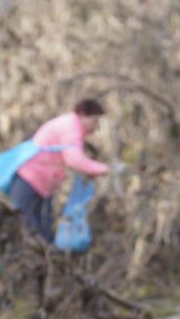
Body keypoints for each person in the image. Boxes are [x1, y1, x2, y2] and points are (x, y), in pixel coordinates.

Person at [10, 99, 110, 243]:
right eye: (94, 121)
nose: (96, 127)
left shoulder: (71, 126)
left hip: (42, 186)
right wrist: (104, 169)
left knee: (44, 231)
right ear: (82, 115)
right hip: (30, 181)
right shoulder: (71, 127)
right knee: (26, 229)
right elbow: (75, 159)